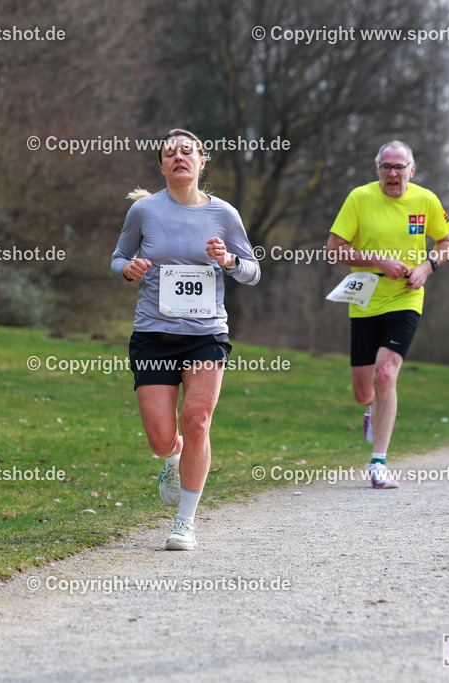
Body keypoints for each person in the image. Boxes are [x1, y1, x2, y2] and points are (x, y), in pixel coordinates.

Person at [111, 128, 260, 550]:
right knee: (161, 439)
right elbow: (117, 258)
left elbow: (253, 271)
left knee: (196, 421)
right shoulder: (144, 211)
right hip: (154, 334)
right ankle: (172, 461)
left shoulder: (225, 215)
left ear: (202, 161)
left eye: (187, 151)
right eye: (170, 153)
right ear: (161, 165)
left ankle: (185, 521)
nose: (179, 157)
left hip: (207, 333)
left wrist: (228, 260)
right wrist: (128, 269)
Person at [326, 140, 449, 488]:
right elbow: (334, 250)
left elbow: (447, 242)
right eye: (387, 166)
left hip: (405, 298)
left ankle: (378, 462)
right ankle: (371, 408)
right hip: (366, 297)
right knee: (363, 390)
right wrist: (377, 260)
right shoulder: (359, 198)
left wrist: (427, 267)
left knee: (386, 374)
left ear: (411, 170)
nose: (393, 173)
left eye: (400, 167)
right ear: (377, 170)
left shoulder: (426, 201)